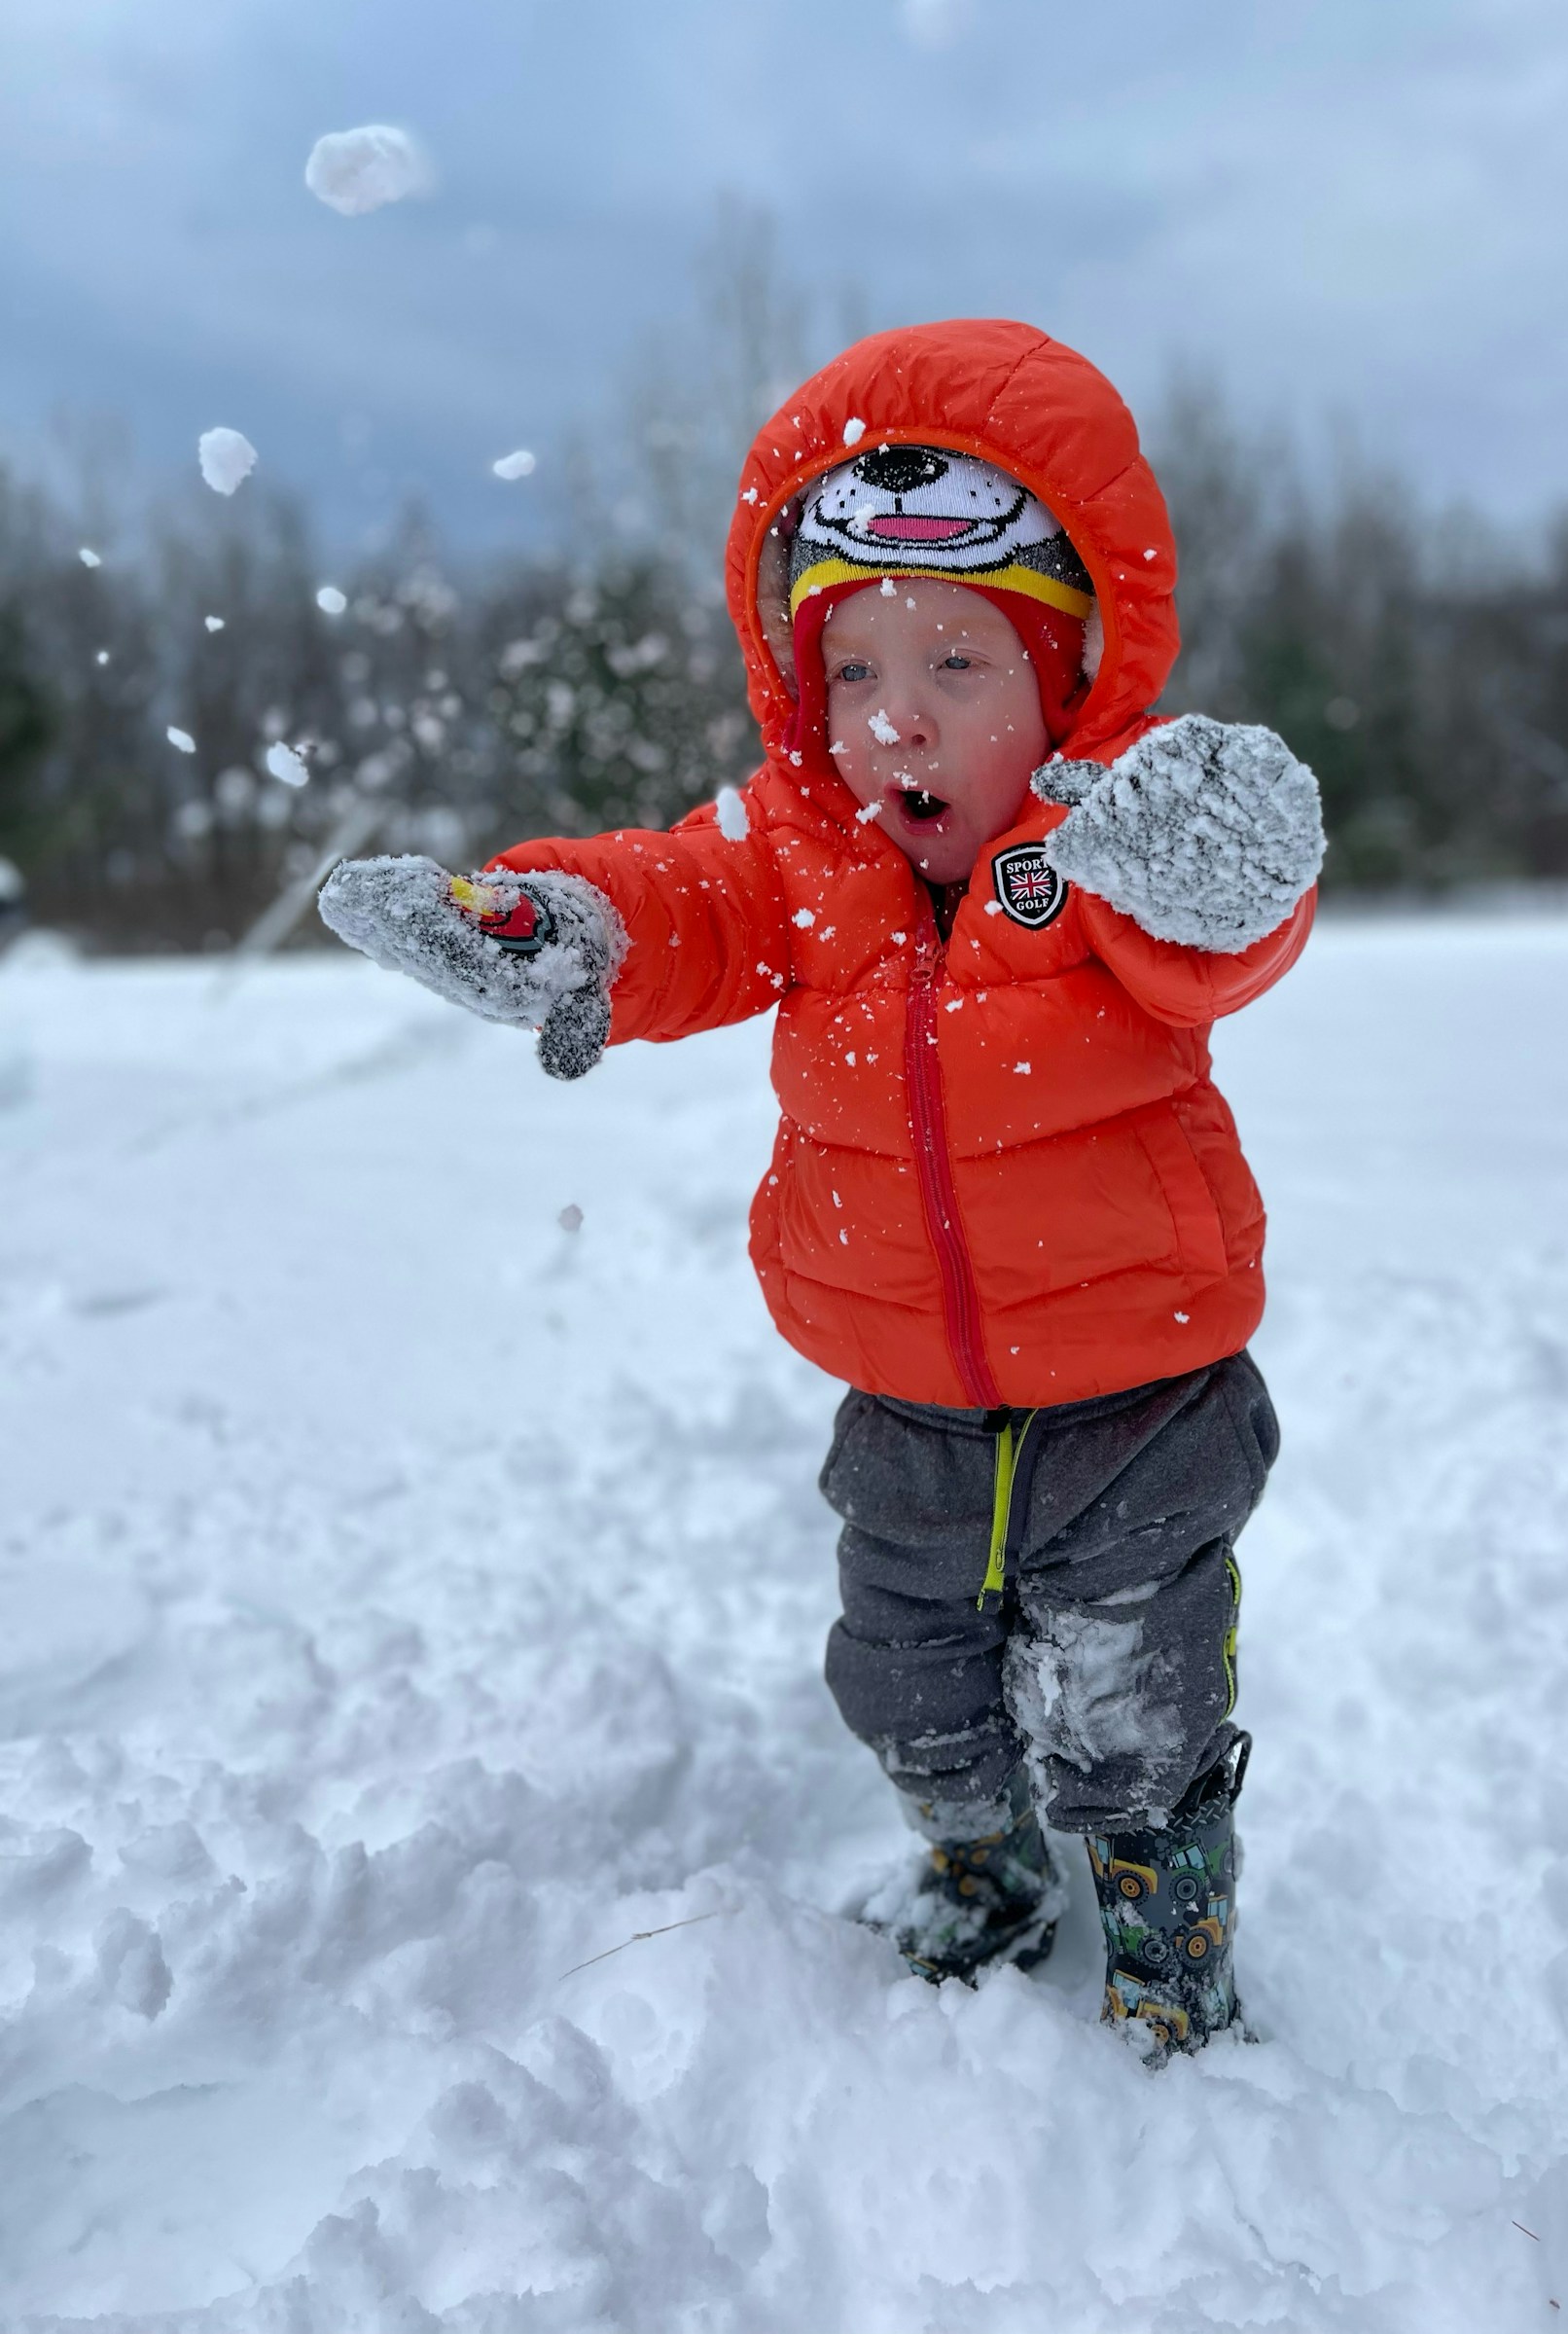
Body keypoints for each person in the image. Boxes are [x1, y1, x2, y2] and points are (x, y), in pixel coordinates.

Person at [320, 319, 1324, 2059]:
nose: (896, 721)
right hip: (905, 1400)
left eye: (957, 662)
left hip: (1142, 1392)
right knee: (907, 1681)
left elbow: (1218, 944)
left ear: (1073, 681)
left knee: (1132, 1698)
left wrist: (1219, 856)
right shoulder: (808, 865)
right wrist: (568, 929)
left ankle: (1168, 1912)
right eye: (851, 673)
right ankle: (982, 1863)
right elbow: (684, 901)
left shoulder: (1105, 866)